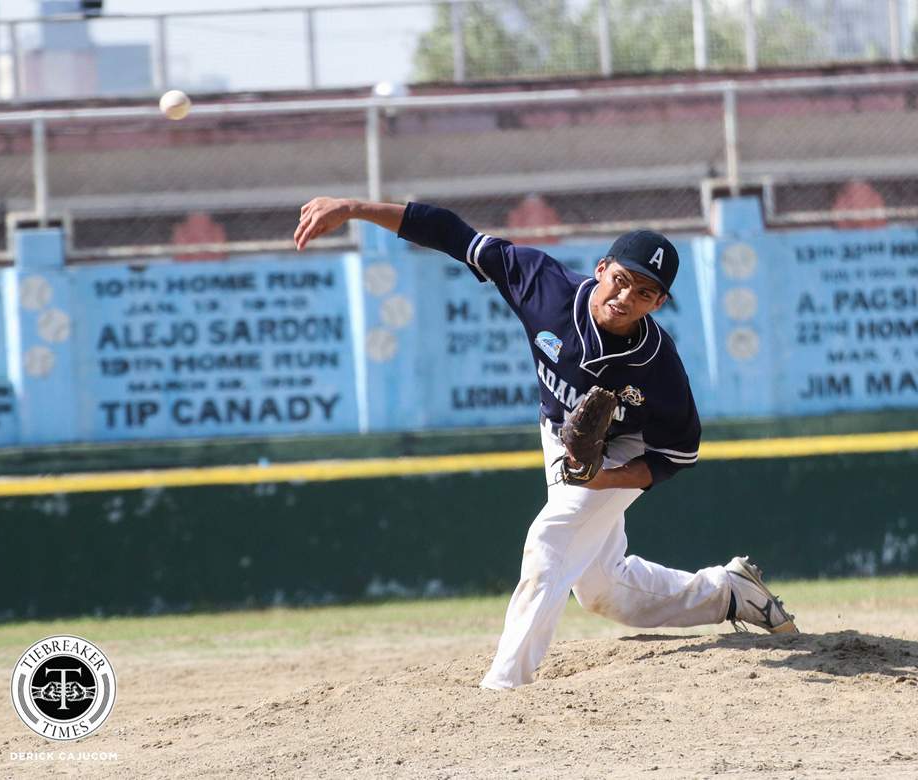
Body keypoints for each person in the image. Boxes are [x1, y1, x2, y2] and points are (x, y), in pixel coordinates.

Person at [294, 197, 797, 689]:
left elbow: (677, 454)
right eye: (622, 280)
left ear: (659, 303)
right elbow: (450, 233)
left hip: (622, 450)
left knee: (550, 539)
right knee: (601, 590)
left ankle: (506, 682)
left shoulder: (659, 367)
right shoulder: (544, 285)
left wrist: (606, 478)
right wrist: (353, 208)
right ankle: (728, 594)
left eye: (645, 293)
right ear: (602, 268)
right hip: (559, 432)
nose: (626, 297)